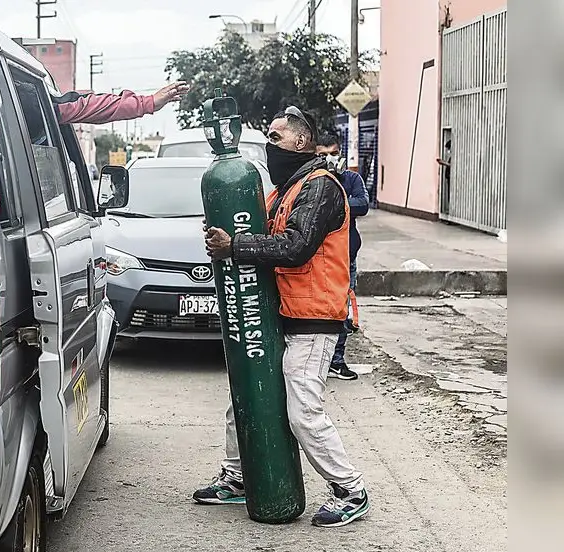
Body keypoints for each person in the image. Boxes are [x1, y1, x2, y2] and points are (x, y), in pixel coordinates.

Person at [196, 107, 370, 528]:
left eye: (275, 138)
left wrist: (235, 245)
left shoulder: (320, 188)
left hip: (313, 320)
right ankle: (238, 479)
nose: (268, 146)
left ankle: (351, 490)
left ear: (300, 142)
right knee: (248, 398)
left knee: (303, 411)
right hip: (280, 316)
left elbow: (295, 247)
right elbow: (261, 232)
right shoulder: (284, 191)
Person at [315, 132, 370, 381]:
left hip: (345, 258)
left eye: (333, 153)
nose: (329, 159)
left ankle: (336, 361)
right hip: (315, 257)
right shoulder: (311, 180)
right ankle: (316, 360)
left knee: (342, 310)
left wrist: (332, 202)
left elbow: (362, 204)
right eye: (323, 154)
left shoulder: (351, 179)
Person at [53, 81, 189, 125]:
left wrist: (148, 103)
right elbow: (87, 108)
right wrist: (147, 103)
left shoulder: (39, 104)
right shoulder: (37, 104)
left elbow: (84, 107)